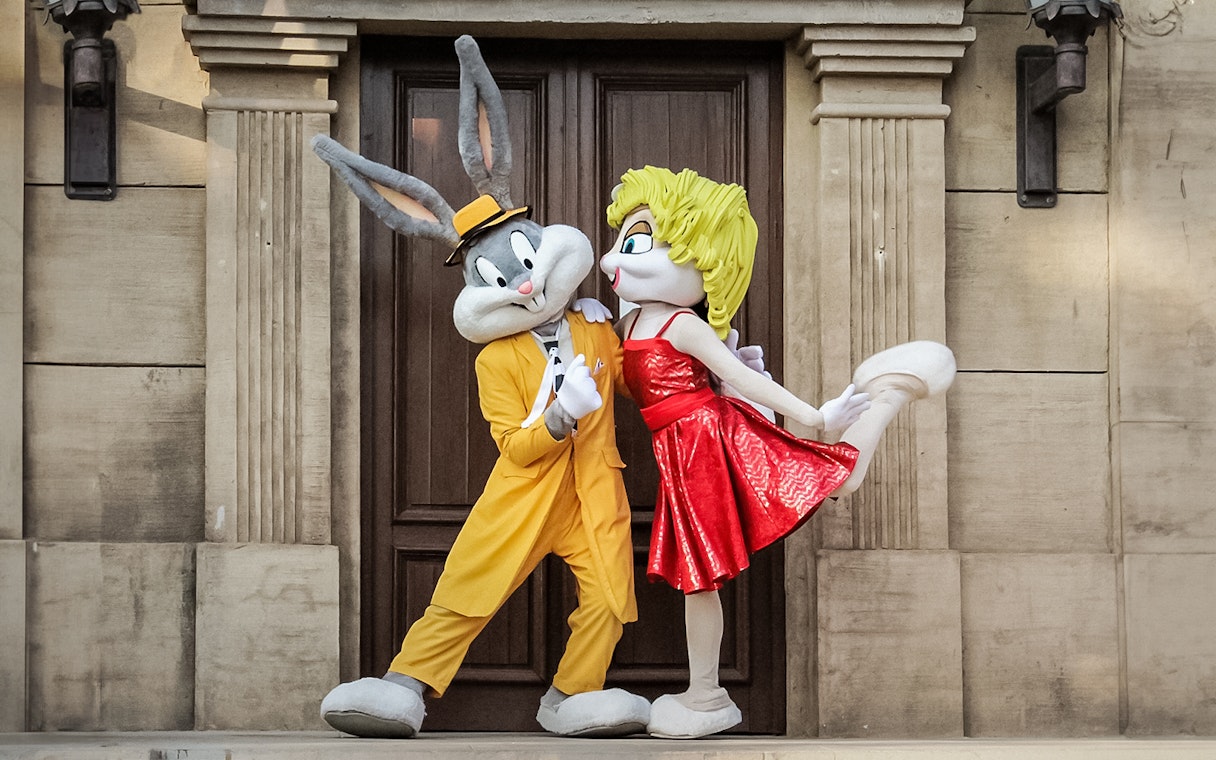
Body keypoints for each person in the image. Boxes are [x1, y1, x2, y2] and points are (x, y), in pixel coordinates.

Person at [600, 165, 955, 739]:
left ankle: (889, 390)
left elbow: (743, 379)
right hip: (681, 449)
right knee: (701, 573)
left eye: (639, 243)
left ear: (704, 258)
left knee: (811, 492)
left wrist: (815, 416)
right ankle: (705, 692)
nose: (618, 258)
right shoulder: (633, 319)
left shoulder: (683, 325)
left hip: (708, 441)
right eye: (624, 241)